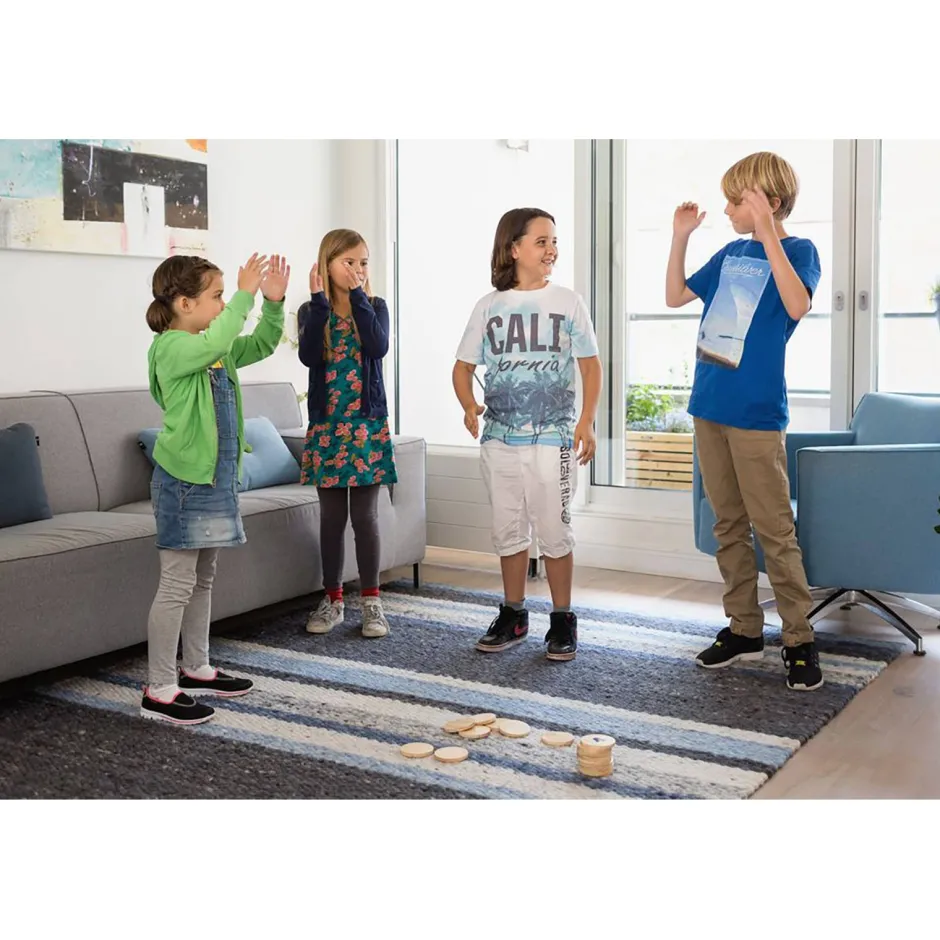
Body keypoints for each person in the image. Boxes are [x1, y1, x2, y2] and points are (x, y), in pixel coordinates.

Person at [666, 151, 824, 691]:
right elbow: (674, 296)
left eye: (738, 202)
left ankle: (798, 639)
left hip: (756, 413)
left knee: (774, 529)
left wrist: (767, 232)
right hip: (708, 405)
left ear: (770, 202)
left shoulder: (799, 251)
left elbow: (797, 305)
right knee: (727, 524)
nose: (729, 210)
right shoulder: (730, 253)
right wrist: (681, 237)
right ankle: (744, 628)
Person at [142, 252, 289, 724]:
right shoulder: (171, 348)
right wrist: (245, 295)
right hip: (183, 484)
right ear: (184, 304)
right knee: (177, 584)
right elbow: (222, 335)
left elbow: (261, 343)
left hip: (215, 482)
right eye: (218, 296)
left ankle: (197, 667)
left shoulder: (215, 349)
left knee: (203, 578)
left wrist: (272, 303)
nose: (225, 304)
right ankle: (159, 689)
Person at [453, 207, 602, 662]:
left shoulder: (569, 302)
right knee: (508, 530)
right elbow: (462, 368)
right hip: (500, 440)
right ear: (513, 248)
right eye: (541, 241)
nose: (551, 249)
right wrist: (469, 406)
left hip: (554, 440)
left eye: (554, 241)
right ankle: (514, 614)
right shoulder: (489, 306)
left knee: (555, 530)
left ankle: (562, 618)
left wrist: (586, 420)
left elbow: (590, 366)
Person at [297, 229, 397, 639]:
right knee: (332, 519)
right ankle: (333, 599)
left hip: (366, 426)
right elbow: (309, 355)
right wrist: (320, 302)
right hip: (327, 428)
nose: (358, 269)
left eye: (363, 263)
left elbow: (377, 347)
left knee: (365, 518)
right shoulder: (311, 310)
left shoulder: (375, 306)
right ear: (328, 264)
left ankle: (371, 602)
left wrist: (357, 297)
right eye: (349, 262)